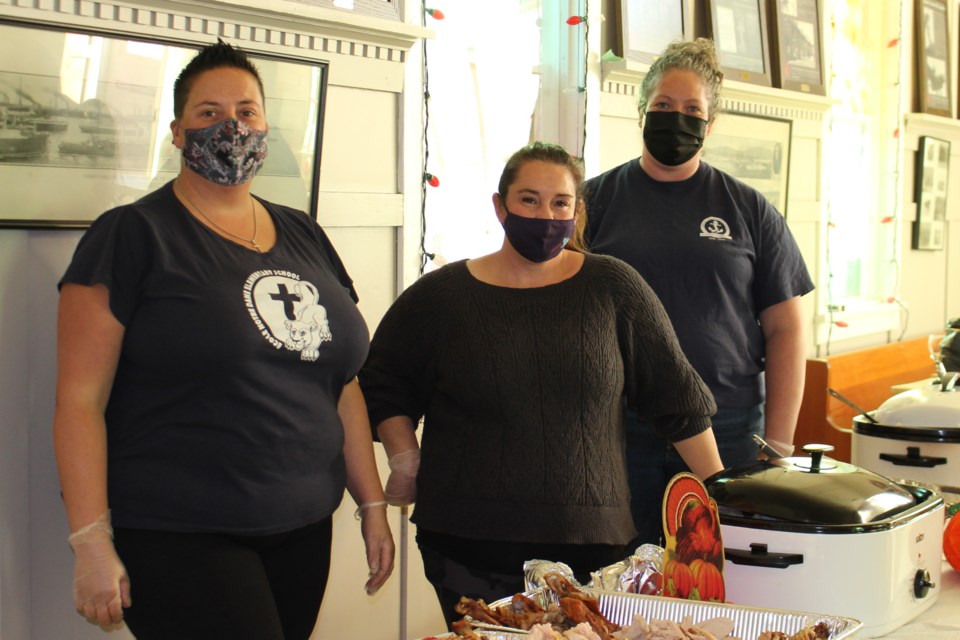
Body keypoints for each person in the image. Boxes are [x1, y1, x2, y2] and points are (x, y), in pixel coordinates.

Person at [52, 40, 394, 640]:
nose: (231, 126)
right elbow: (79, 401)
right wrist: (90, 543)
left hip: (303, 525)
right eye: (208, 113)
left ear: (267, 126)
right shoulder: (131, 236)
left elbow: (338, 379)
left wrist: (371, 505)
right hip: (180, 533)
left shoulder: (302, 233)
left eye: (247, 111)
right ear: (178, 132)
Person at [358, 141, 724, 628]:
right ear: (499, 206)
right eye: (528, 200)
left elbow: (678, 402)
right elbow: (381, 381)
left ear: (577, 211)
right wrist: (404, 458)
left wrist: (722, 504)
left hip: (592, 550)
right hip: (467, 545)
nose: (545, 215)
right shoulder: (442, 297)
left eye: (560, 203)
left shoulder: (613, 287)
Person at [583, 38, 815, 546]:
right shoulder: (592, 201)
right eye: (663, 106)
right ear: (641, 110)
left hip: (728, 424)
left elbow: (787, 328)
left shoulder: (749, 209)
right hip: (620, 425)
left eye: (692, 109)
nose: (676, 117)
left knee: (724, 571)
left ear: (711, 124)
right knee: (623, 574)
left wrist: (777, 443)